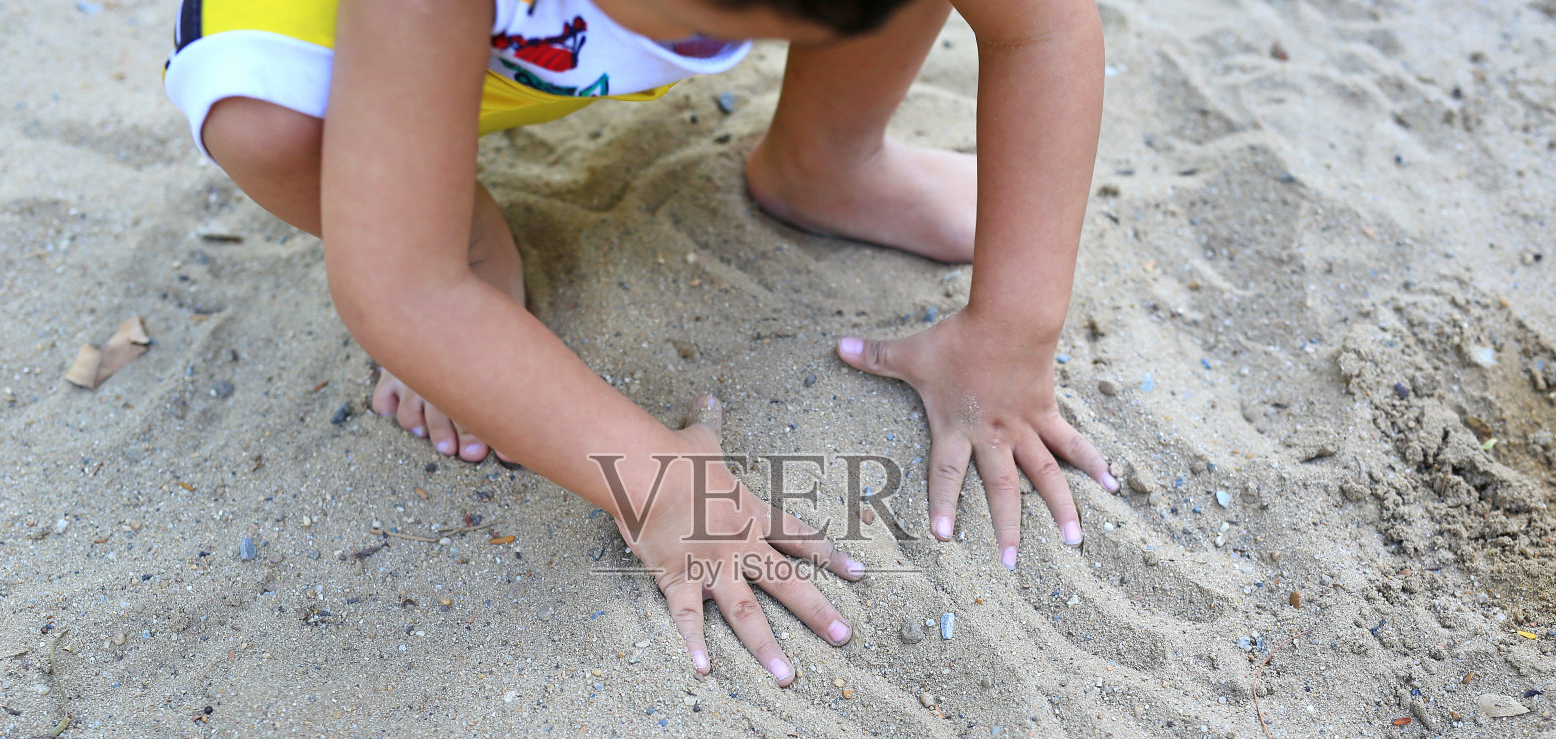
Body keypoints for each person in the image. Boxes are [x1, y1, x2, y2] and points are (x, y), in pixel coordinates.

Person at [162, 0, 1116, 685]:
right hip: (388, 35)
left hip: (570, 33)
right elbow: (398, 293)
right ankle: (463, 231)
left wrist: (1013, 334)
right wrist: (655, 480)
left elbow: (1043, 25)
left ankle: (831, 160)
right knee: (265, 125)